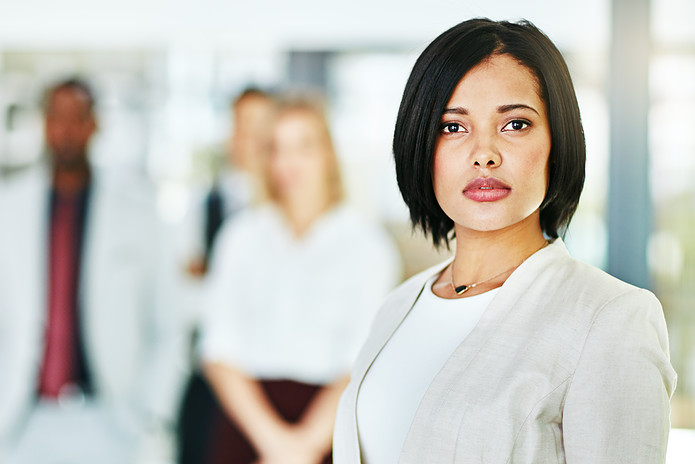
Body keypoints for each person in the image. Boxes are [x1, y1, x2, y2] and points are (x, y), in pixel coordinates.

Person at [333, 18, 677, 464]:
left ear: (558, 141)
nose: (484, 153)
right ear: (421, 144)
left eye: (515, 124)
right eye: (453, 127)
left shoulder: (611, 320)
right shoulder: (398, 306)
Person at [199, 96, 402, 464]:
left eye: (303, 146)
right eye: (277, 148)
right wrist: (274, 444)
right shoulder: (239, 236)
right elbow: (219, 349)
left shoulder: (367, 245)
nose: (289, 162)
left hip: (328, 430)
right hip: (247, 427)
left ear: (328, 153)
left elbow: (361, 360)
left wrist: (303, 449)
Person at [0, 78, 187, 463]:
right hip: (20, 419)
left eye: (78, 117)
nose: (67, 129)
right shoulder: (8, 208)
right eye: (57, 117)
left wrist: (154, 410)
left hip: (114, 419)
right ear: (44, 123)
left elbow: (169, 323)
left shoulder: (137, 212)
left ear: (95, 124)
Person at [176, 87, 277, 464]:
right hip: (214, 383)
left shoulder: (295, 217)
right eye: (239, 126)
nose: (247, 139)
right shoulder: (205, 207)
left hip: (275, 384)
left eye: (259, 126)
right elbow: (186, 296)